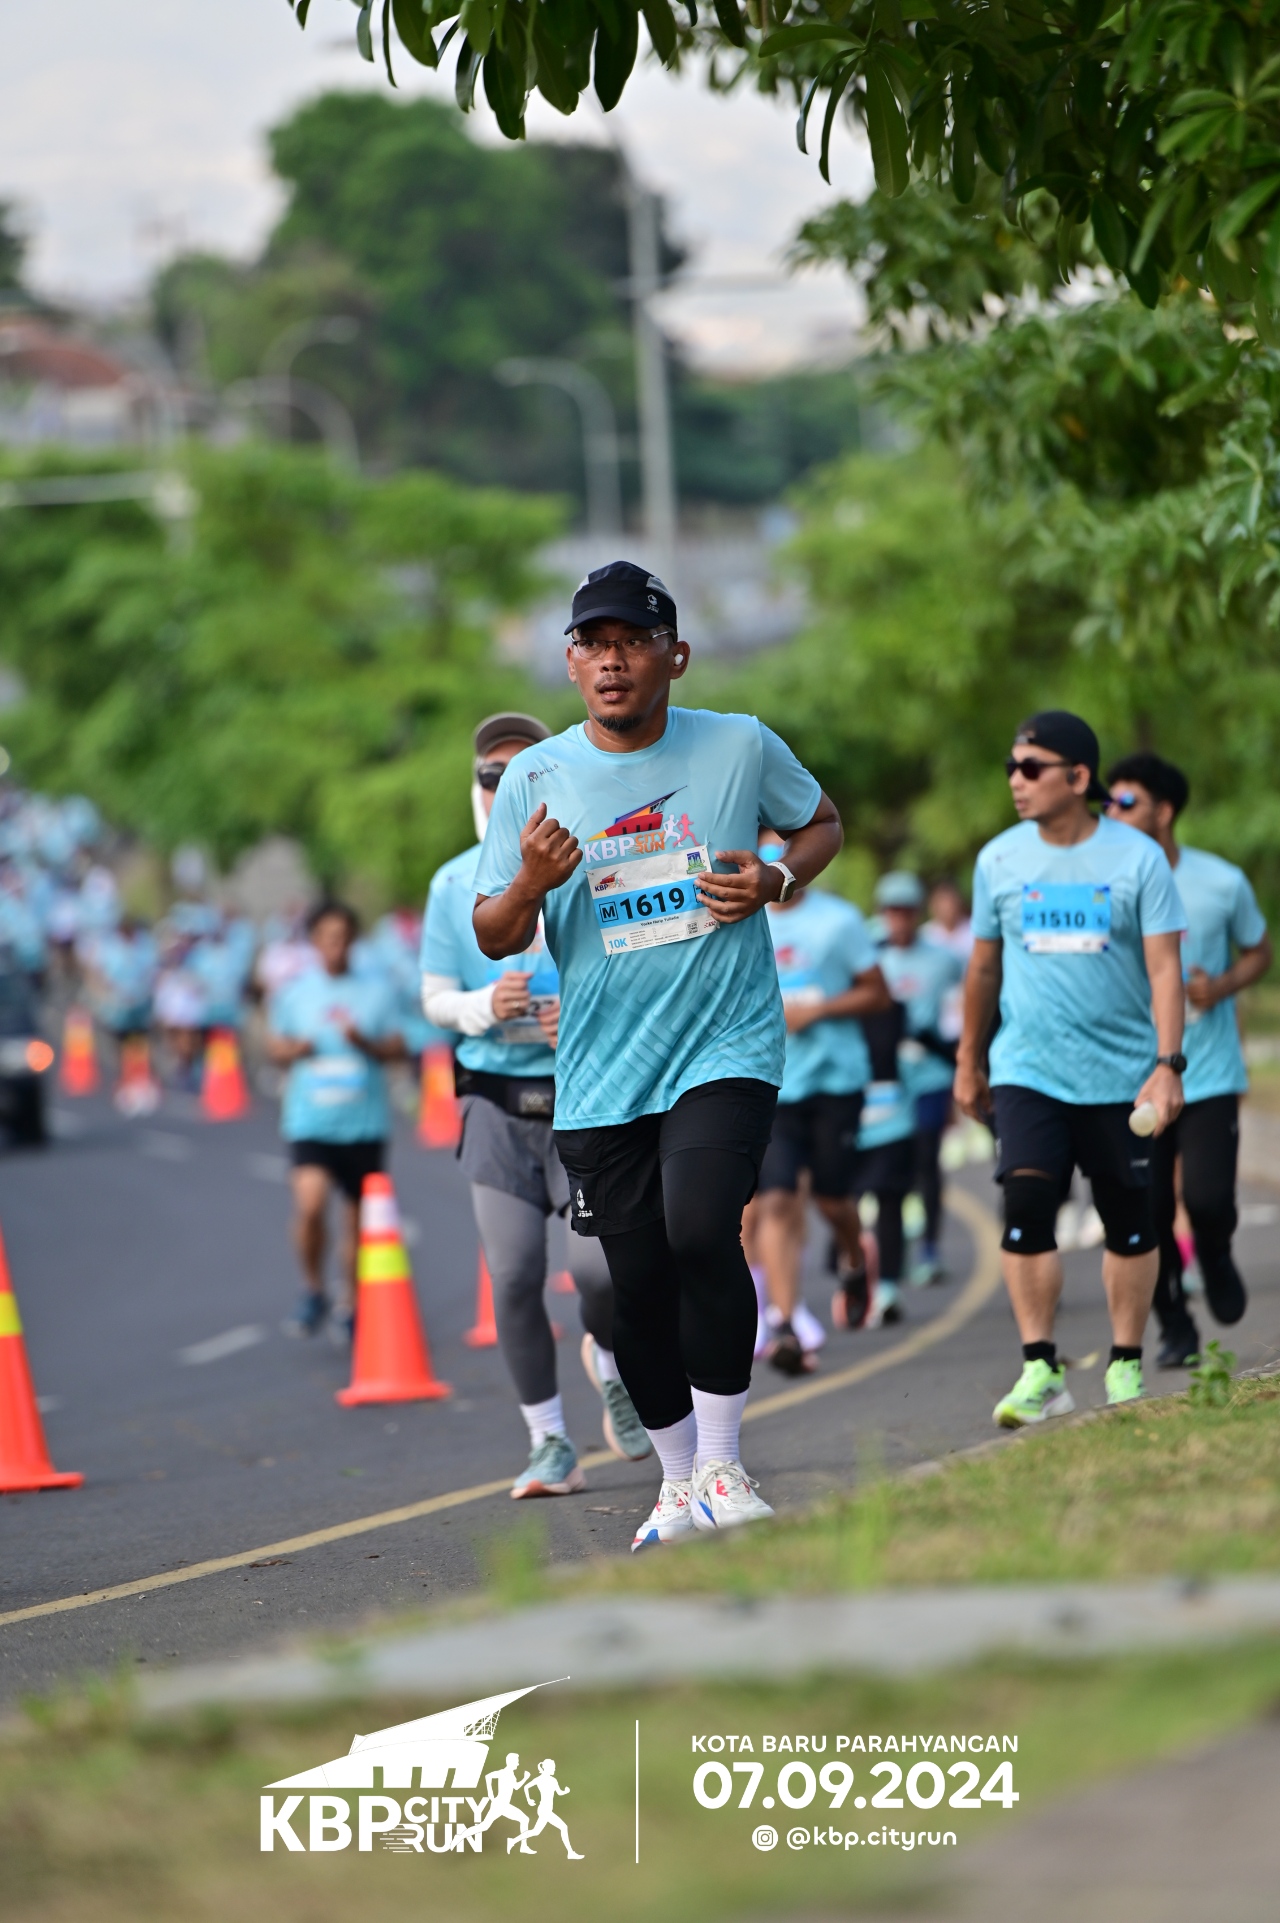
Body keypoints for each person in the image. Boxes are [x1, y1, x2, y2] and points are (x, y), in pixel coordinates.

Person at [473, 560, 842, 1547]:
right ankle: (678, 1485)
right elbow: (494, 933)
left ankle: (723, 1466)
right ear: (569, 663)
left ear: (672, 656)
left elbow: (820, 824)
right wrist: (529, 884)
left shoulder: (738, 743)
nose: (611, 661)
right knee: (632, 1286)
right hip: (602, 1071)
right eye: (593, 644)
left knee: (699, 1228)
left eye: (631, 642)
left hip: (725, 1041)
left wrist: (775, 879)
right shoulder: (535, 779)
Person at [421, 711, 650, 1500]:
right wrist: (485, 1005)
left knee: (598, 1273)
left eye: (523, 770)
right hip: (494, 1101)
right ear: (477, 787)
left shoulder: (601, 861)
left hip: (585, 1094)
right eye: (492, 775)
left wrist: (577, 1018)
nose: (505, 786)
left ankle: (611, 1362)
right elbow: (434, 998)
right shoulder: (453, 883)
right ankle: (549, 1441)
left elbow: (635, 980)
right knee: (515, 1273)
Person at [954, 710, 1187, 1425]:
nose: (1016, 781)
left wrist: (1168, 1064)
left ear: (1079, 777)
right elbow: (983, 967)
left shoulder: (1138, 859)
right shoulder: (999, 860)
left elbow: (1165, 968)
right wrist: (969, 1059)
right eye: (1011, 768)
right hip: (1027, 1068)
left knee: (1129, 1220)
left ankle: (1124, 1364)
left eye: (1031, 768)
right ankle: (1040, 1368)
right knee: (1026, 1205)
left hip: (1120, 1075)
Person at [1106, 753, 1272, 1366]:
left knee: (1205, 1199)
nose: (1112, 812)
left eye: (1127, 802)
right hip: (1132, 1075)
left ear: (1165, 811)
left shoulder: (1222, 881)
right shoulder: (1105, 884)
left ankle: (1216, 1251)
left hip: (1208, 1071)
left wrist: (1222, 985)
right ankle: (1174, 1325)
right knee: (1145, 1211)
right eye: (1108, 802)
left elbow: (1259, 951)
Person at [754, 829, 890, 1371]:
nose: (773, 856)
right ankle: (786, 1323)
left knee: (832, 1201)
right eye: (763, 845)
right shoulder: (744, 920)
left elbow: (878, 993)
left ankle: (854, 1258)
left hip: (836, 1081)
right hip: (772, 1084)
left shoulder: (839, 921)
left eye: (782, 846)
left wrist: (819, 1011)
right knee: (777, 1200)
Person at [266, 900, 408, 1341]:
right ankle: (312, 1288)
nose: (337, 947)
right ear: (313, 941)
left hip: (363, 1124)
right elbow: (274, 1047)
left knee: (355, 1223)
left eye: (344, 939)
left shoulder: (377, 991)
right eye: (328, 939)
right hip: (310, 1121)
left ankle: (350, 1302)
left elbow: (399, 1047)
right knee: (310, 1206)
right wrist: (295, 1049)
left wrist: (364, 1042)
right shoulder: (295, 992)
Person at [873, 872, 966, 1286]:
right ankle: (888, 1251)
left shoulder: (943, 958)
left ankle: (929, 1247)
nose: (900, 919)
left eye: (907, 911)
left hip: (930, 1070)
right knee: (893, 1164)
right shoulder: (870, 954)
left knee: (928, 1158)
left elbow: (975, 991)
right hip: (886, 1077)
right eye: (892, 911)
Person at [523, 1758, 584, 1858]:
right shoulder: (540, 1779)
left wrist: (566, 1791)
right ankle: (570, 1853)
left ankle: (513, 1841)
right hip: (544, 1810)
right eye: (553, 1767)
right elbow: (526, 1787)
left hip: (547, 1810)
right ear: (548, 1768)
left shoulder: (553, 1780)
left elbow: (559, 1792)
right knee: (563, 1827)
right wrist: (529, 1800)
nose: (554, 1769)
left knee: (536, 1831)